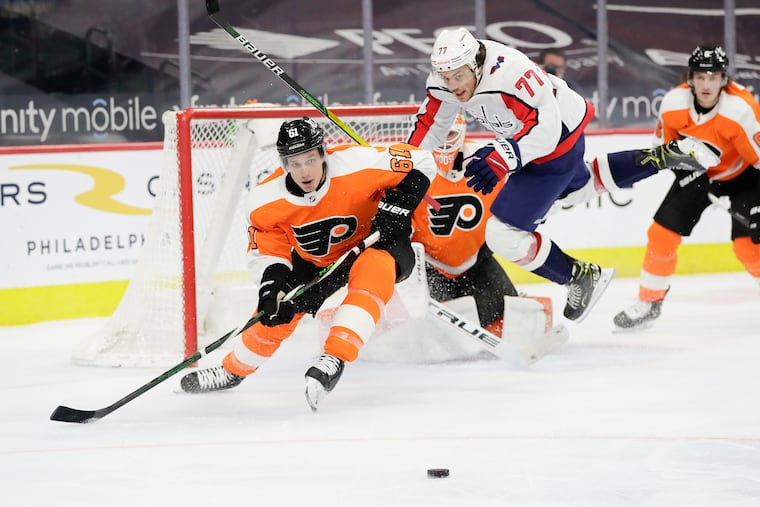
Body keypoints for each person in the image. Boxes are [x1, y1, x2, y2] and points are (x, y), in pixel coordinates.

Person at [408, 27, 715, 324]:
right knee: (579, 187)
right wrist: (404, 165)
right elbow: (431, 124)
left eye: (458, 76)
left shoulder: (511, 73)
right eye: (446, 77)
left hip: (556, 139)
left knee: (503, 235)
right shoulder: (445, 80)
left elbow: (547, 130)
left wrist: (505, 155)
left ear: (475, 64)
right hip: (540, 137)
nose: (453, 85)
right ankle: (660, 157)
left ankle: (579, 276)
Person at [180, 117, 435, 410]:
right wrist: (271, 288)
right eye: (295, 162)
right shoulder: (266, 200)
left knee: (373, 269)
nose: (304, 171)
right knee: (275, 312)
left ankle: (334, 357)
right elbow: (270, 254)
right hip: (317, 261)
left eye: (310, 160)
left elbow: (423, 162)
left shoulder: (359, 163)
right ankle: (232, 370)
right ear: (283, 162)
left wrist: (400, 205)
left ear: (323, 153)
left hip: (380, 241)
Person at [614, 46, 760, 330]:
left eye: (713, 77)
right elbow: (664, 151)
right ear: (689, 78)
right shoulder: (673, 104)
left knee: (748, 249)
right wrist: (685, 170)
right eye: (700, 77)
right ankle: (649, 302)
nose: (706, 85)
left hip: (743, 178)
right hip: (698, 174)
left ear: (723, 79)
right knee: (661, 235)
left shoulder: (740, 109)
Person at [411, 114, 520, 337]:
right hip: (428, 267)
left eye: (449, 133)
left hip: (475, 260)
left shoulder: (486, 162)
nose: (443, 141)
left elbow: (518, 197)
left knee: (511, 318)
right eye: (439, 133)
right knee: (433, 333)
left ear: (461, 132)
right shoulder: (411, 170)